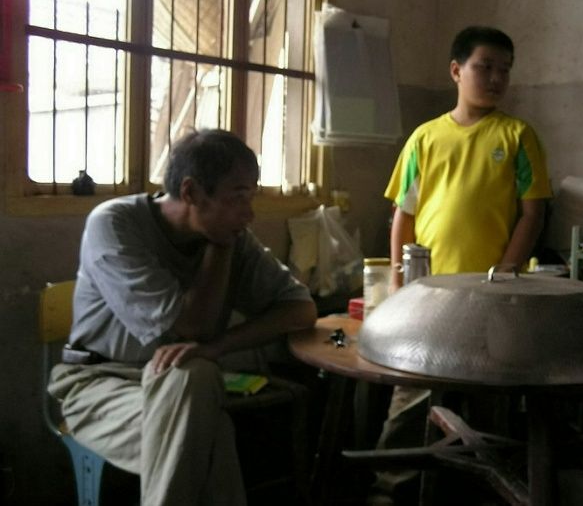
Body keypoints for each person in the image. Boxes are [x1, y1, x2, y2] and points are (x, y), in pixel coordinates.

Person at [48, 129, 317, 506]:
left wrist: (220, 346)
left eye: (251, 197)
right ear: (190, 192)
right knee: (209, 421)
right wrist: (220, 246)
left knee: (195, 376)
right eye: (237, 198)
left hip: (183, 389)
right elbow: (193, 327)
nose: (249, 214)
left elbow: (302, 309)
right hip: (99, 384)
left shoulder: (236, 238)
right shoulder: (115, 224)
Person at [371, 26, 552, 504]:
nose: (496, 78)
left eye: (504, 70)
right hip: (428, 295)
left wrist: (504, 275)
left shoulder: (518, 136)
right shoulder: (424, 138)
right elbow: (404, 216)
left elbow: (533, 213)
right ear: (456, 71)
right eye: (484, 66)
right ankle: (390, 488)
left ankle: (486, 491)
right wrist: (398, 282)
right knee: (412, 396)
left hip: (492, 297)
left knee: (488, 399)